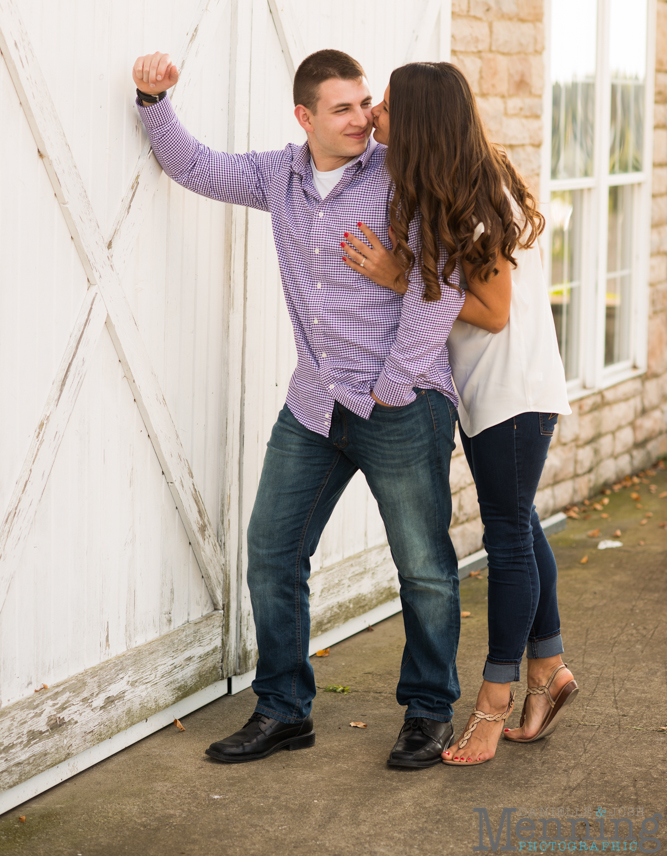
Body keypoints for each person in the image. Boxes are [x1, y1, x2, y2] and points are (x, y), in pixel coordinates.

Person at [132, 48, 466, 768]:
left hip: (399, 405)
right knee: (272, 556)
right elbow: (193, 165)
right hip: (314, 405)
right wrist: (153, 101)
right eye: (342, 108)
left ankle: (429, 711)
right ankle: (284, 709)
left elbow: (440, 282)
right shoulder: (276, 176)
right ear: (304, 116)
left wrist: (396, 382)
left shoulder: (399, 173)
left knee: (423, 568)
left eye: (365, 102)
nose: (362, 118)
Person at [340, 61, 577, 767]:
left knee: (505, 540)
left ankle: (491, 705)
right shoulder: (459, 175)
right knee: (521, 527)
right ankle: (550, 671)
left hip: (509, 393)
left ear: (416, 121)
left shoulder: (474, 195)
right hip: (500, 394)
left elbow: (492, 313)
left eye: (385, 103)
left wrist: (396, 277)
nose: (374, 112)